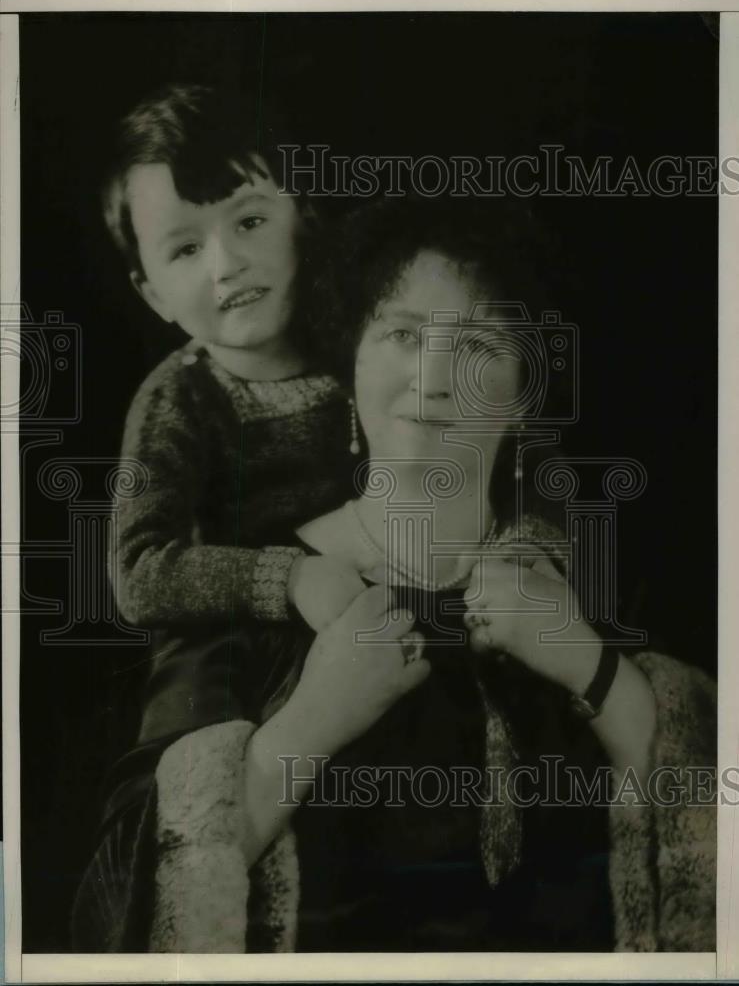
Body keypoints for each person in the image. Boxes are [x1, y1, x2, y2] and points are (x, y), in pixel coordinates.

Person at [72, 198, 716, 953]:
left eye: (477, 344)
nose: (433, 379)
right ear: (351, 368)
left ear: (524, 398)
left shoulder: (592, 589)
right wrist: (314, 718)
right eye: (403, 334)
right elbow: (117, 906)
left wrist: (589, 666)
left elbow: (708, 838)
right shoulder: (248, 608)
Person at [100, 83, 366, 749]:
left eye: (249, 222)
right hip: (245, 638)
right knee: (194, 692)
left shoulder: (366, 345)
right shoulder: (178, 399)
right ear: (152, 292)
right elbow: (139, 572)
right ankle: (208, 835)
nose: (227, 265)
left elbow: (487, 434)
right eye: (185, 250)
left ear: (302, 216)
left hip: (378, 602)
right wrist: (289, 577)